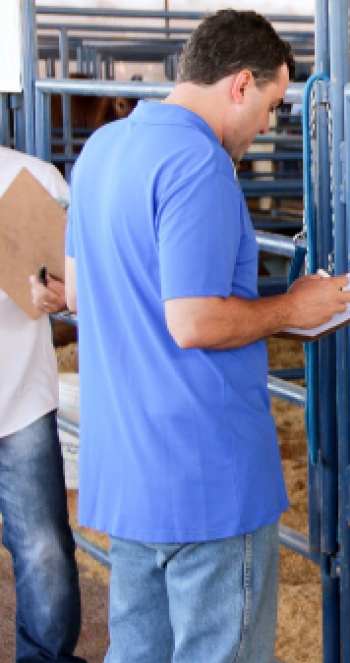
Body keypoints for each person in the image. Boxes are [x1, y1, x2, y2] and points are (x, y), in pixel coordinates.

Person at [52, 9, 350, 663]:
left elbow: (74, 294)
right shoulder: (200, 164)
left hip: (130, 470)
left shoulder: (100, 149)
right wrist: (293, 306)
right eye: (271, 105)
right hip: (207, 473)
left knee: (137, 649)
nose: (267, 125)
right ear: (240, 83)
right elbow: (194, 321)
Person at [1, 146, 86, 663]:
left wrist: (63, 295)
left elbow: (79, 277)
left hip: (19, 398)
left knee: (43, 549)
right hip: (20, 398)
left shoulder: (34, 177)